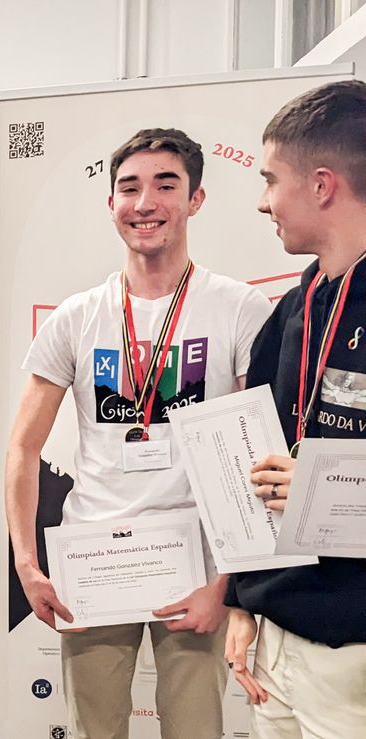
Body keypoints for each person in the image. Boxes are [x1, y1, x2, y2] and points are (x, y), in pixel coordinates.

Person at [5, 128, 273, 739]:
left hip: (195, 568)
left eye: (165, 185)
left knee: (195, 730)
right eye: (129, 187)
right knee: (96, 729)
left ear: (196, 200)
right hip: (94, 564)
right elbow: (23, 447)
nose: (144, 202)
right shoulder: (77, 317)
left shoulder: (238, 309)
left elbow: (258, 458)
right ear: (110, 204)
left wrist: (224, 584)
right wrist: (28, 563)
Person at [224, 79, 366, 738]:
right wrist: (242, 602)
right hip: (276, 639)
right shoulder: (292, 309)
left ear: (322, 184)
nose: (262, 201)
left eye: (270, 178)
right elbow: (258, 465)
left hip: (354, 649)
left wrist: (325, 489)